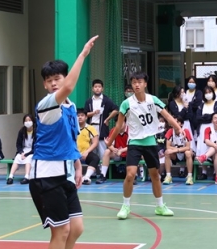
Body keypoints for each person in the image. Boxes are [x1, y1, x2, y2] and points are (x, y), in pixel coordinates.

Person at [29, 35, 98, 249]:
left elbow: (71, 140)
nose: (54, 83)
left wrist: (78, 166)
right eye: (49, 80)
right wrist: (83, 54)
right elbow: (70, 86)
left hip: (66, 173)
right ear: (45, 85)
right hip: (46, 176)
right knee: (61, 231)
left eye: (57, 78)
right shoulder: (47, 105)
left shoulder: (69, 108)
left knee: (76, 228)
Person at [108, 71, 183, 220]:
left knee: (155, 175)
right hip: (134, 142)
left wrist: (178, 128)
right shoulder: (126, 104)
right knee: (130, 174)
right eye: (134, 82)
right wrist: (109, 142)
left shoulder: (153, 100)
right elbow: (118, 126)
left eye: (140, 82)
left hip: (150, 142)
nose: (137, 85)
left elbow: (167, 116)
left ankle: (160, 206)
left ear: (145, 84)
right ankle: (125, 206)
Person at [82, 79, 118, 152]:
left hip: (102, 128)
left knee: (102, 151)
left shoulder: (106, 100)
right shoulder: (89, 101)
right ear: (92, 88)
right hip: (91, 126)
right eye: (95, 87)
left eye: (99, 87)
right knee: (91, 151)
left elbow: (116, 110)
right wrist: (93, 113)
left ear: (102, 88)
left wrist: (107, 119)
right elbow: (85, 114)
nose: (97, 88)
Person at [164, 119, 195, 185]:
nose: (175, 123)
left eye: (177, 122)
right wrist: (176, 150)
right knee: (167, 152)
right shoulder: (170, 131)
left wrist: (177, 150)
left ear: (182, 124)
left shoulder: (185, 131)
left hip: (184, 154)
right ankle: (168, 176)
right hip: (175, 154)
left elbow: (187, 147)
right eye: (174, 121)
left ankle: (189, 177)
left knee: (188, 153)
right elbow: (168, 146)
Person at [7, 115, 35, 184]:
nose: (28, 122)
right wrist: (21, 152)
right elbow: (18, 144)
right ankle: (10, 177)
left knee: (28, 159)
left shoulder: (36, 131)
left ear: (33, 121)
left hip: (32, 151)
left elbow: (36, 147)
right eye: (26, 120)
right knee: (17, 158)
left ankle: (27, 177)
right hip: (24, 150)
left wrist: (26, 154)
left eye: (29, 120)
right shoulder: (22, 131)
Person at [76, 111, 100, 185]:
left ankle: (86, 177)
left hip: (85, 153)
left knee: (95, 158)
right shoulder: (72, 128)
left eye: (82, 115)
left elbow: (95, 142)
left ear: (86, 117)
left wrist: (87, 152)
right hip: (74, 153)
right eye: (78, 115)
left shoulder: (90, 128)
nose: (80, 117)